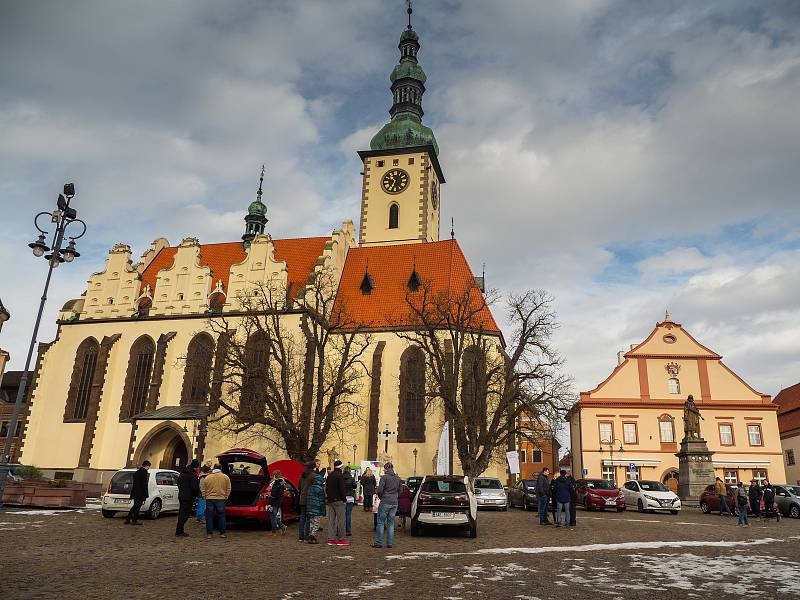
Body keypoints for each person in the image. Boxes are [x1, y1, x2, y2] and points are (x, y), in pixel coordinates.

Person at [373, 463, 401, 549]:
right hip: (394, 502)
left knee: (381, 522)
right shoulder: (398, 478)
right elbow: (401, 490)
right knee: (391, 523)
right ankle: (389, 543)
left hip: (385, 501)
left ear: (385, 469)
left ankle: (378, 542)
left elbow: (380, 490)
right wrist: (395, 497)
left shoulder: (384, 477)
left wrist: (381, 497)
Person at [201, 463, 231, 539]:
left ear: (213, 468)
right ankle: (222, 533)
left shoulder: (208, 477)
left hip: (209, 499)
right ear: (220, 468)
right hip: (221, 498)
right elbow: (228, 488)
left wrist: (205, 496)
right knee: (221, 516)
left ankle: (209, 534)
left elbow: (203, 488)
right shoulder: (225, 477)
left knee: (209, 516)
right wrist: (226, 496)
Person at [325, 459, 349, 546]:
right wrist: (344, 499)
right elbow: (342, 489)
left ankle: (330, 539)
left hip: (331, 500)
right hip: (339, 500)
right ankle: (341, 539)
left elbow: (326, 488)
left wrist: (329, 498)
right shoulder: (340, 476)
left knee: (331, 520)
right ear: (341, 467)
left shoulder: (330, 476)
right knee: (341, 520)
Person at [176, 459, 200, 536]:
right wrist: (196, 494)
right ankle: (179, 530)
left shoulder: (183, 472)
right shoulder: (193, 474)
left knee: (181, 513)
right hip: (189, 497)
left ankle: (179, 529)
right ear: (196, 467)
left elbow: (178, 482)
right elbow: (194, 487)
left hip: (181, 495)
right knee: (185, 514)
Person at [125, 460, 150, 525]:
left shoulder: (137, 472)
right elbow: (144, 485)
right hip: (141, 493)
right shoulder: (144, 473)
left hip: (135, 492)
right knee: (137, 507)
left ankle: (128, 519)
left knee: (134, 506)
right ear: (146, 466)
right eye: (148, 466)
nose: (149, 468)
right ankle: (134, 520)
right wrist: (145, 494)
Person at [305, 468, 327, 544]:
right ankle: (312, 536)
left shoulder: (310, 488)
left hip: (310, 508)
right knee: (316, 524)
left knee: (311, 523)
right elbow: (322, 501)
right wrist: (323, 510)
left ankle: (310, 535)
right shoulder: (320, 489)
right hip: (317, 509)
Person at [297, 460, 317, 541]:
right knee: (308, 518)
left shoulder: (302, 475)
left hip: (302, 498)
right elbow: (315, 487)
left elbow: (299, 487)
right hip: (310, 499)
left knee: (302, 518)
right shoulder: (313, 476)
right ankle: (306, 534)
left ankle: (301, 536)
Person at [268, 469, 287, 536]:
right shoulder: (282, 482)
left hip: (274, 501)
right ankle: (282, 526)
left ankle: (274, 532)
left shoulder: (276, 483)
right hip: (279, 501)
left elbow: (273, 494)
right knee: (274, 516)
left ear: (274, 476)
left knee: (272, 516)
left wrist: (270, 503)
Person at [343, 466, 357, 536]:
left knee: (341, 515)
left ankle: (340, 529)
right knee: (348, 515)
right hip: (350, 498)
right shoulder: (351, 478)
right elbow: (354, 487)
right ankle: (348, 530)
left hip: (342, 498)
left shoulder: (341, 478)